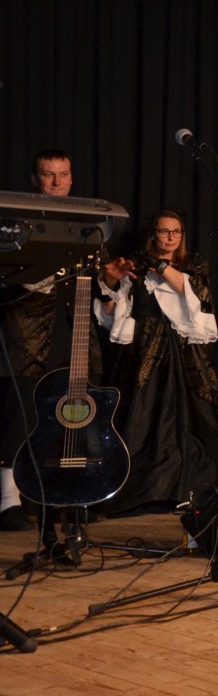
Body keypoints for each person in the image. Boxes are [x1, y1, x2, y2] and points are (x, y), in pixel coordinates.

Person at [0, 150, 112, 531]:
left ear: (71, 177)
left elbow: (99, 274)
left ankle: (70, 495)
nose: (57, 182)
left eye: (63, 174)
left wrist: (110, 278)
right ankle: (8, 501)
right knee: (23, 410)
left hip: (73, 325)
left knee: (77, 408)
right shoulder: (16, 218)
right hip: (27, 328)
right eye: (49, 175)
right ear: (35, 179)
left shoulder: (89, 221)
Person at [96, 210, 218, 514]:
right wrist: (111, 279)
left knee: (191, 419)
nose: (170, 237)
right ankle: (143, 490)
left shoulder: (194, 264)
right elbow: (113, 308)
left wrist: (158, 265)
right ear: (153, 234)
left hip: (184, 352)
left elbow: (194, 293)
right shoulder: (136, 266)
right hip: (144, 350)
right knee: (141, 417)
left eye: (175, 232)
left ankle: (186, 489)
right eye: (164, 231)